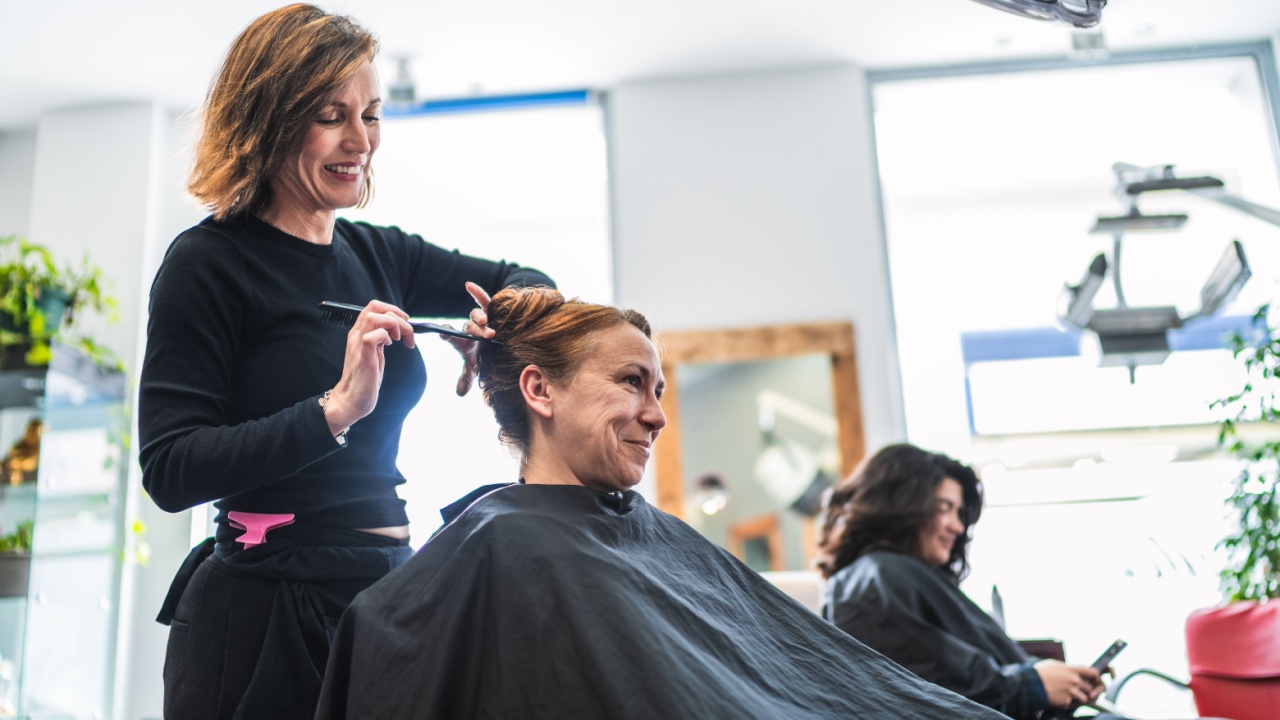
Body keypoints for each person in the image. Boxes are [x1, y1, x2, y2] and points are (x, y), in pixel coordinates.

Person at [313, 287, 1005, 720]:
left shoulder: (650, 535)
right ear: (540, 390)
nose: (656, 416)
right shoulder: (504, 547)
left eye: (660, 392)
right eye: (630, 383)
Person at [137, 5, 553, 718]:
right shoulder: (208, 264)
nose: (360, 140)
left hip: (385, 588)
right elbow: (171, 469)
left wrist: (492, 323)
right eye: (332, 115)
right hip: (265, 607)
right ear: (267, 119)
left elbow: (530, 278)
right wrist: (336, 411)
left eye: (373, 115)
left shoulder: (375, 253)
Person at [816, 443, 1107, 719]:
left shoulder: (894, 576)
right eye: (944, 508)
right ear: (902, 505)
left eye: (958, 513)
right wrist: (1032, 684)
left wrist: (1059, 679)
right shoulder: (876, 580)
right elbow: (925, 692)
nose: (957, 526)